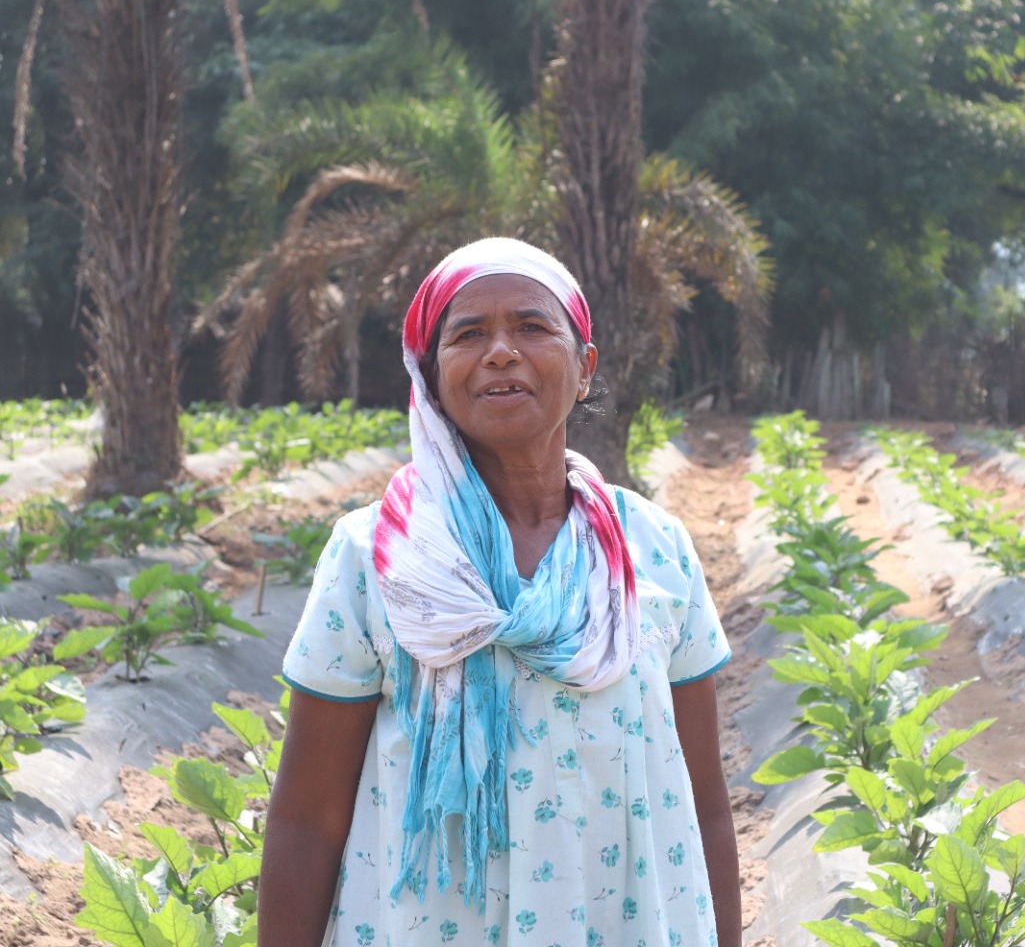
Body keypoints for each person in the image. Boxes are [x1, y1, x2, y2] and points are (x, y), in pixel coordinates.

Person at [259, 237, 741, 947]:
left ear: (585, 369)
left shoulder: (652, 549)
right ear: (430, 376)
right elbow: (307, 818)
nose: (501, 352)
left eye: (532, 326)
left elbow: (703, 807)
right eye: (468, 335)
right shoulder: (376, 558)